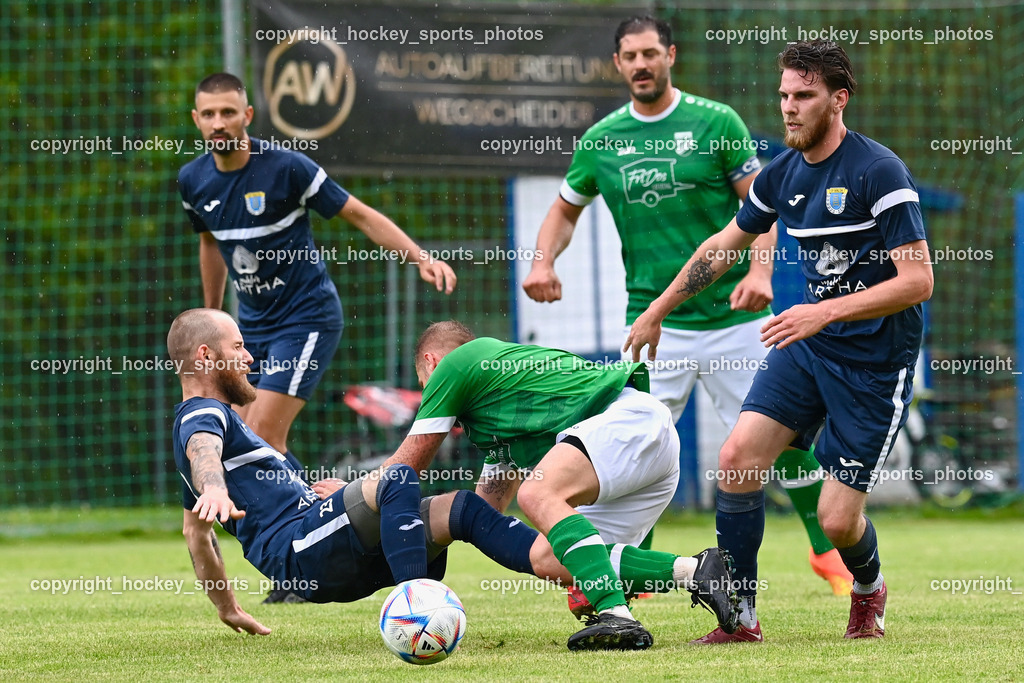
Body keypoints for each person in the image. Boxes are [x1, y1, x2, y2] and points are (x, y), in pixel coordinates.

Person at [522, 15, 852, 601]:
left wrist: (759, 269)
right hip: (654, 326)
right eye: (630, 55)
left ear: (670, 55)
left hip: (734, 322)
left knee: (782, 442)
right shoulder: (602, 141)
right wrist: (543, 260)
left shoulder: (715, 121)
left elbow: (760, 205)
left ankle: (825, 550)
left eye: (651, 52)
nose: (642, 63)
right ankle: (622, 565)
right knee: (627, 446)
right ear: (619, 64)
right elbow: (563, 210)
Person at [625, 39, 932, 642]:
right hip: (811, 350)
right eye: (784, 95)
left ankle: (868, 589)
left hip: (874, 364)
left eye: (805, 96)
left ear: (839, 100)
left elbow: (918, 280)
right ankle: (739, 616)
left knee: (838, 522)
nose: (789, 108)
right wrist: (658, 309)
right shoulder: (783, 173)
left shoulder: (879, 171)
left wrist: (824, 312)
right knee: (738, 461)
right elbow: (723, 247)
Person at [168, 307, 570, 634]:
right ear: (205, 356)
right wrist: (214, 488)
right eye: (238, 346)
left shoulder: (219, 421)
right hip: (300, 548)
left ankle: (580, 571)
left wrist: (228, 608)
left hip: (323, 546)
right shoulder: (201, 412)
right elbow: (203, 446)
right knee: (395, 476)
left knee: (460, 510)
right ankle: (417, 610)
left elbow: (196, 534)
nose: (249, 357)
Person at [380, 320, 740, 651]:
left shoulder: (457, 363)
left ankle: (617, 614)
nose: (433, 396)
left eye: (427, 386)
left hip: (627, 419)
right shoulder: (498, 408)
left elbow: (408, 464)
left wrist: (356, 496)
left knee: (537, 492)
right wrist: (438, 531)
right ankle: (695, 571)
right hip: (647, 443)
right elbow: (482, 514)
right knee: (548, 557)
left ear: (432, 362)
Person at [177, 72, 456, 468]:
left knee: (262, 433)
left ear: (248, 115)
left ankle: (310, 523)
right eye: (209, 114)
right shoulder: (193, 180)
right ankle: (308, 515)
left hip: (306, 318)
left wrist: (421, 258)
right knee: (235, 433)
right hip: (250, 326)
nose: (218, 122)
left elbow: (359, 214)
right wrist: (212, 316)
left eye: (228, 112)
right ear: (196, 119)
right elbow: (210, 243)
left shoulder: (286, 168)